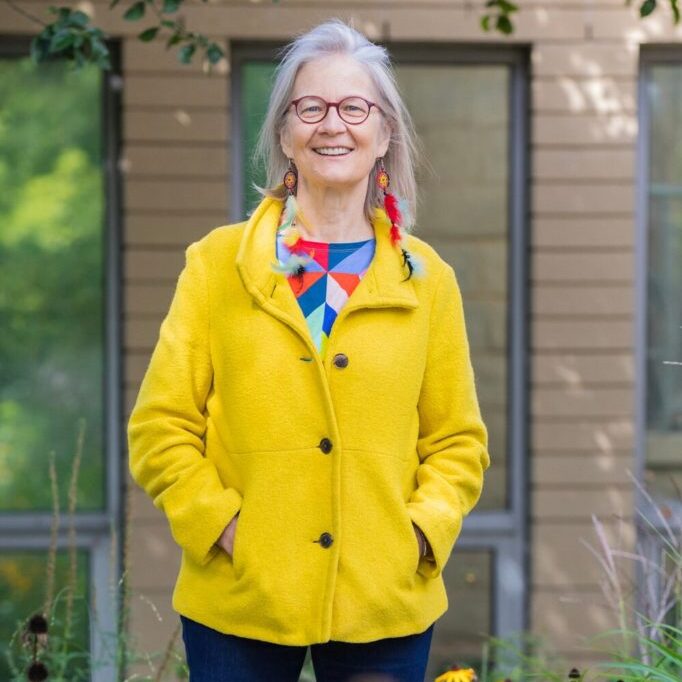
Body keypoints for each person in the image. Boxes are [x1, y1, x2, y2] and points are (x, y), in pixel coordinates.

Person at [127, 18, 490, 682]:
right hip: (241, 598)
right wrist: (220, 526)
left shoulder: (428, 279)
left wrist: (414, 537)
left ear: (383, 135)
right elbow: (160, 426)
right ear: (285, 134)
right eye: (311, 107)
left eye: (355, 107)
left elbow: (458, 444)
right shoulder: (217, 265)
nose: (333, 125)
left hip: (384, 602)